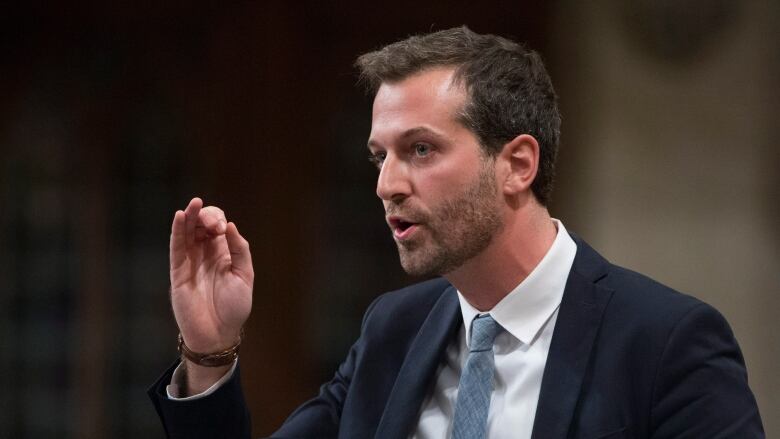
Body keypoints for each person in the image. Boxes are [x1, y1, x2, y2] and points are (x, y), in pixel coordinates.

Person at [148, 26, 764, 438]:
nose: (387, 183)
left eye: (419, 150)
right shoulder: (395, 330)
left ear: (517, 165)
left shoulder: (666, 343)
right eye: (378, 157)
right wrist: (209, 350)